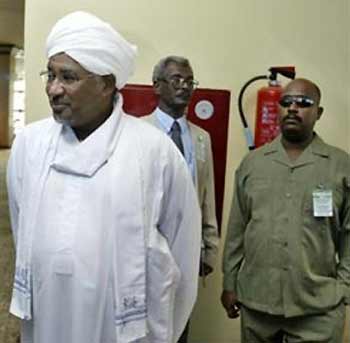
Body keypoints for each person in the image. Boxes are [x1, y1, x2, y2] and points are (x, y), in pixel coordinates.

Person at [7, 11, 202, 343]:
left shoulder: (154, 152)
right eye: (50, 75)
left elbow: (183, 254)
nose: (53, 89)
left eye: (68, 77)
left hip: (121, 330)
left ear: (106, 83)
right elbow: (20, 224)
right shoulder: (30, 145)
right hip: (47, 317)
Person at [221, 78, 350, 342]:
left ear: (319, 113)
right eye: (286, 102)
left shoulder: (340, 166)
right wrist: (229, 282)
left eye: (304, 103)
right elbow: (237, 228)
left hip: (317, 308)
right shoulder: (253, 164)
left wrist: (344, 288)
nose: (293, 108)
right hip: (258, 304)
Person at [143, 56, 219, 342]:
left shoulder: (201, 138)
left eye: (189, 81)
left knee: (180, 326)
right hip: (147, 249)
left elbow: (207, 194)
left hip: (187, 249)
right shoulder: (138, 131)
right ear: (157, 86)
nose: (184, 86)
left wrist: (210, 248)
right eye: (176, 79)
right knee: (146, 325)